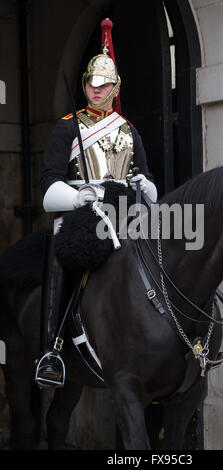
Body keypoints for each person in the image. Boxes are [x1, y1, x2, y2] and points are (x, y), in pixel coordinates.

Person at [35, 18, 157, 388]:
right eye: (91, 83)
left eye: (104, 84)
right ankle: (52, 349)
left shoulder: (129, 130)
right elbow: (47, 184)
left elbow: (146, 178)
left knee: (164, 254)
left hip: (124, 214)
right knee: (63, 259)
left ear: (115, 87)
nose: (96, 89)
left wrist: (144, 187)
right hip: (80, 213)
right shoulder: (67, 127)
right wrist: (80, 196)